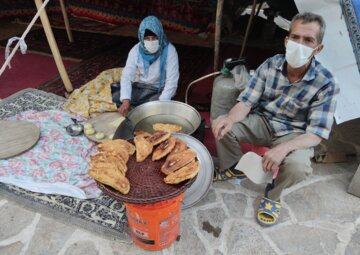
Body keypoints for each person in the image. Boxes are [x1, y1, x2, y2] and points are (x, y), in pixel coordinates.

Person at [211, 12, 339, 226]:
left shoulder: (327, 83)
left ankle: (273, 195)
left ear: (318, 48)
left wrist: (283, 149)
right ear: (286, 40)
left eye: (308, 40)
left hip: (295, 134)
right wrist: (231, 119)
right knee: (221, 124)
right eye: (296, 37)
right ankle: (233, 165)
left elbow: (315, 134)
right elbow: (246, 102)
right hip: (263, 121)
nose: (300, 44)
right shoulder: (271, 65)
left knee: (299, 166)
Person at [115, 16, 179, 116]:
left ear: (160, 36)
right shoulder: (135, 50)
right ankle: (139, 106)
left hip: (158, 90)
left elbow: (172, 81)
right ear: (141, 38)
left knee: (156, 105)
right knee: (116, 96)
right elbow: (127, 76)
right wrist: (126, 100)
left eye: (154, 38)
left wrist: (161, 103)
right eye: (147, 38)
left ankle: (144, 107)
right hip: (140, 87)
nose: (150, 41)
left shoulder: (170, 51)